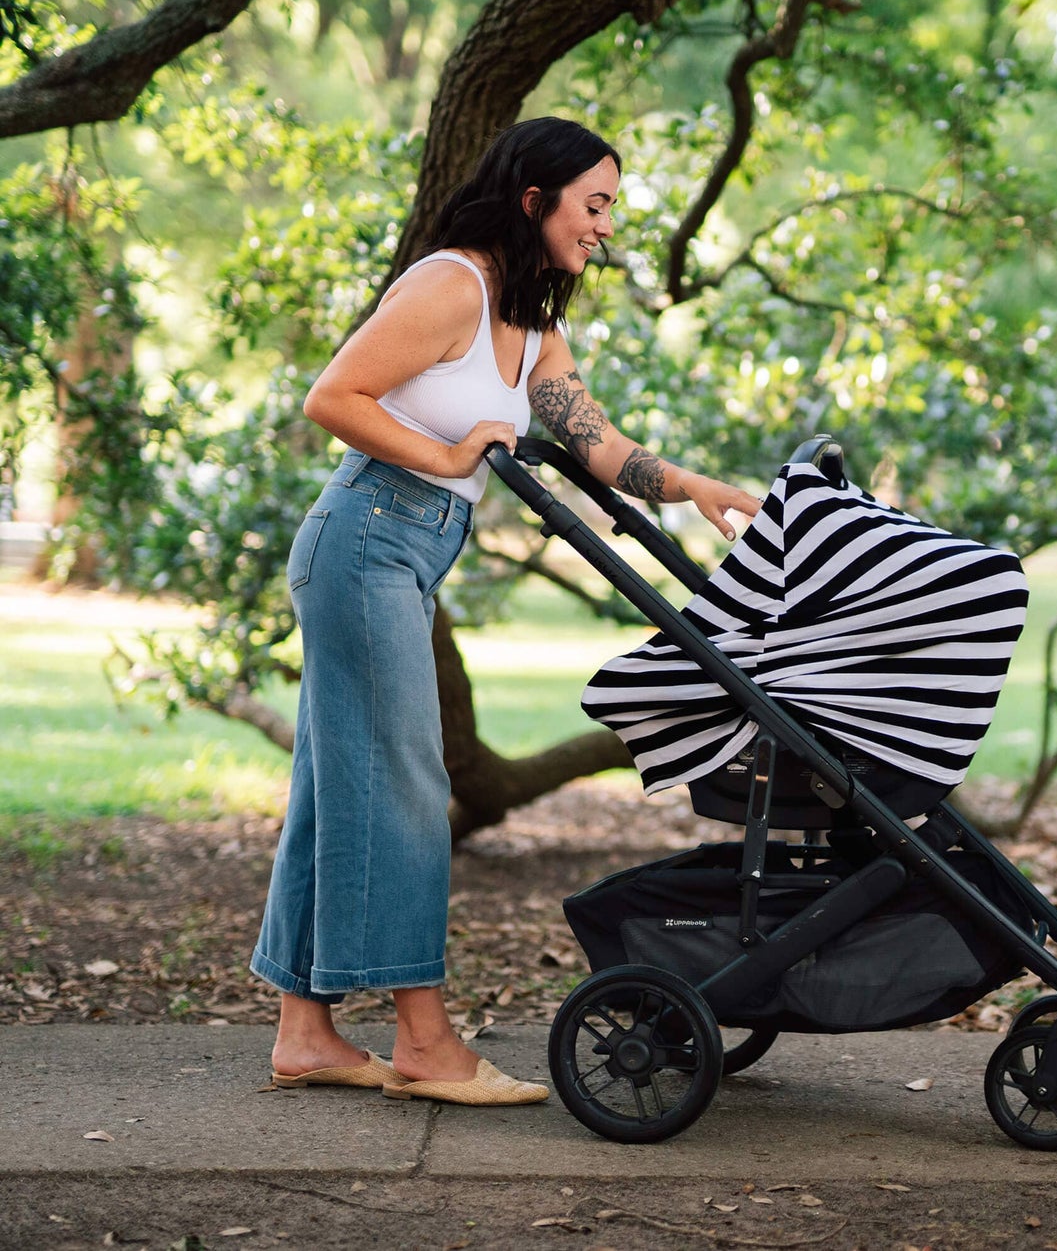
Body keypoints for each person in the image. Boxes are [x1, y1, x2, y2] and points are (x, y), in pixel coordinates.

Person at [251, 117, 761, 1106]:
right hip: (366, 538)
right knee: (406, 782)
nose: (606, 225)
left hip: (401, 550)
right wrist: (446, 457)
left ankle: (305, 1031)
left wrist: (696, 485)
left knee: (334, 782)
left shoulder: (528, 322)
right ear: (536, 199)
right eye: (595, 203)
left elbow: (597, 446)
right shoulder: (451, 284)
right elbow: (333, 393)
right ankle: (424, 1039)